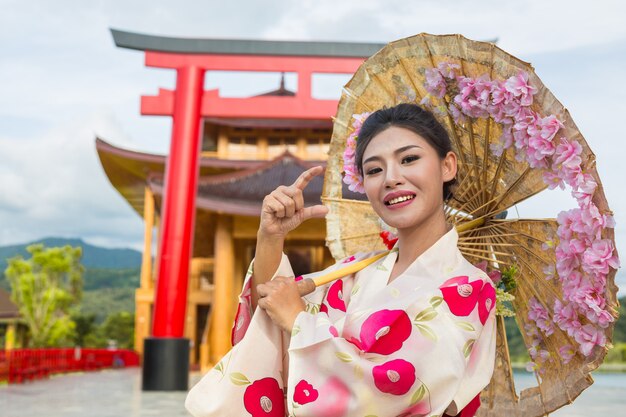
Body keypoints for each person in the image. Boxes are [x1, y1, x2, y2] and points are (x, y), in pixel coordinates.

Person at [186, 103, 497, 417]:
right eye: (374, 169)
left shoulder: (470, 288)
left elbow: (406, 387)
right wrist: (270, 237)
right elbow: (271, 308)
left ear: (448, 166)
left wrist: (298, 322)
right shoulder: (354, 269)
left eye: (409, 159)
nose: (391, 178)